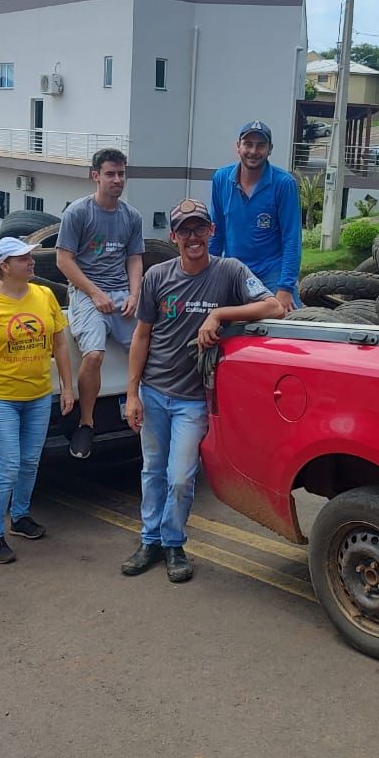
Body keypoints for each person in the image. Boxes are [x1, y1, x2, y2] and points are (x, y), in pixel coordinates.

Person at [121, 199, 283, 583]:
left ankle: (174, 543)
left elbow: (274, 306)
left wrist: (219, 314)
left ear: (212, 232)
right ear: (173, 236)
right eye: (185, 230)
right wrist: (132, 394)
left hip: (193, 398)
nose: (193, 237)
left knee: (180, 476)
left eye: (200, 229)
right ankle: (150, 541)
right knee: (152, 472)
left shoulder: (229, 271)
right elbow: (141, 336)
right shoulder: (157, 277)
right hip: (155, 391)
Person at [0, 237, 75, 565]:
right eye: (23, 259)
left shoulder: (43, 295)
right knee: (8, 467)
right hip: (2, 398)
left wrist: (68, 388)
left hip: (39, 395)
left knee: (31, 461)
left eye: (30, 257)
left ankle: (20, 517)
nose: (32, 263)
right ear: (4, 266)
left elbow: (60, 345)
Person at [55, 148, 144, 460]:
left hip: (121, 294)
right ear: (96, 176)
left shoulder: (132, 216)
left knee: (146, 348)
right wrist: (94, 293)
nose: (117, 179)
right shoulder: (78, 213)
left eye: (121, 173)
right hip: (86, 294)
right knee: (93, 355)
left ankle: (140, 408)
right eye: (110, 173)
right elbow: (63, 260)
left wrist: (135, 295)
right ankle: (86, 424)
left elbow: (134, 258)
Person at [209, 120, 302, 313]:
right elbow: (216, 233)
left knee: (288, 326)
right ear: (238, 147)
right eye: (248, 144)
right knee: (217, 324)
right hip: (235, 272)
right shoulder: (221, 179)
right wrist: (207, 276)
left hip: (272, 273)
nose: (253, 151)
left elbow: (292, 239)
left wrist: (285, 288)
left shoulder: (284, 184)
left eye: (260, 145)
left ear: (270, 149)